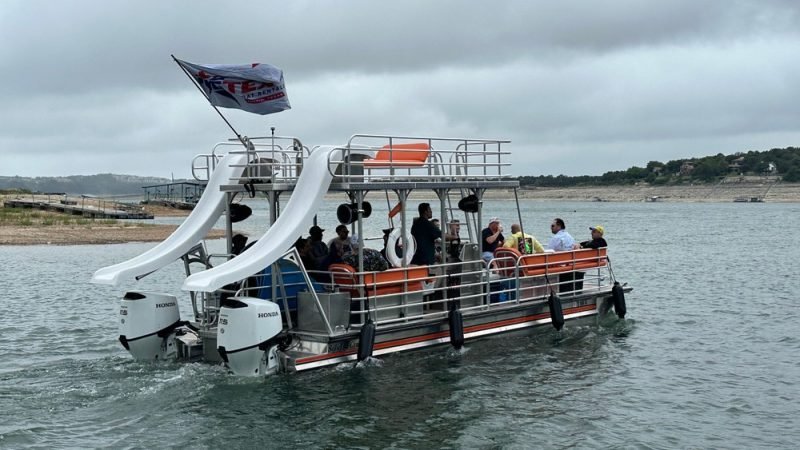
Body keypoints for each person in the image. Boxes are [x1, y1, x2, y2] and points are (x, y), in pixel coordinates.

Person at [548, 218, 577, 293]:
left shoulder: (555, 238)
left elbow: (549, 253)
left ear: (559, 226)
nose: (551, 228)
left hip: (558, 266)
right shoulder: (570, 237)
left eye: (552, 226)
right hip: (570, 265)